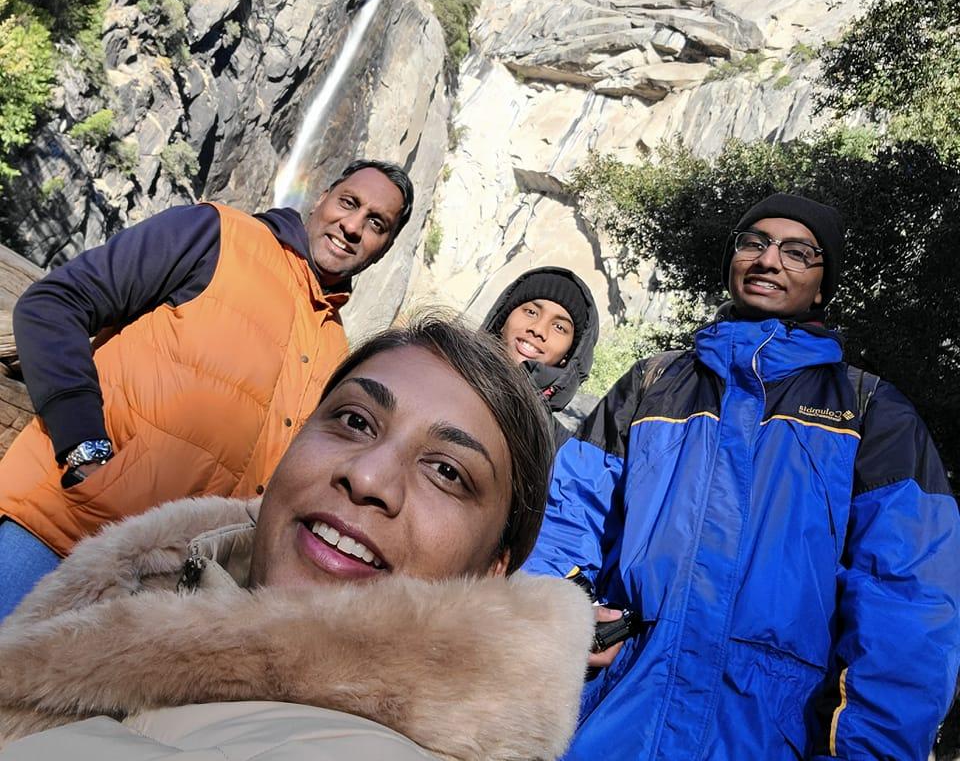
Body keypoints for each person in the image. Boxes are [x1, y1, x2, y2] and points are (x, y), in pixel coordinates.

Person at [0, 316, 594, 761]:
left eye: (447, 471)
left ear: (494, 568)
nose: (367, 476)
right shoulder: (145, 578)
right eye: (356, 421)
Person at [525, 193, 960, 761]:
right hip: (614, 712)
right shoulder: (653, 383)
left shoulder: (871, 410)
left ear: (823, 285)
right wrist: (561, 609)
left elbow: (908, 603)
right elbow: (567, 515)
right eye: (753, 242)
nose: (768, 260)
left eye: (798, 251)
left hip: (776, 731)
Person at [0, 159, 414, 622]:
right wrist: (85, 449)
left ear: (385, 247)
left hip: (153, 595)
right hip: (60, 525)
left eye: (376, 223)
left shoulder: (336, 350)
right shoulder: (215, 233)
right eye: (349, 203)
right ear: (320, 199)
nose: (353, 226)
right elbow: (53, 305)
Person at [482, 267, 598, 447]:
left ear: (570, 354)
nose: (538, 330)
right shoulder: (439, 375)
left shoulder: (555, 451)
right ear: (503, 319)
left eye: (559, 327)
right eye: (531, 312)